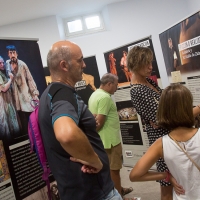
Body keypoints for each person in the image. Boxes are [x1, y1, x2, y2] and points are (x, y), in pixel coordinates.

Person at [38, 41, 122, 200]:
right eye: (80, 60)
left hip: (76, 190)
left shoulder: (49, 93)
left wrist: (87, 125)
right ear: (64, 65)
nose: (84, 65)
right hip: (94, 192)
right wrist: (95, 161)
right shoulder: (62, 94)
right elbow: (66, 134)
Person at [127, 46, 200, 200]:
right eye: (146, 63)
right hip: (163, 140)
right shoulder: (137, 90)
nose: (150, 67)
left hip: (171, 134)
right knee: (167, 185)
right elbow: (163, 119)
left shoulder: (148, 82)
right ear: (136, 63)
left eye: (150, 62)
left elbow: (163, 115)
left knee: (181, 179)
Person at [88, 73, 134, 200]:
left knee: (109, 171)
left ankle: (118, 190)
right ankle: (119, 195)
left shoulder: (94, 94)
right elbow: (99, 122)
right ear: (109, 84)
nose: (117, 87)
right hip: (110, 142)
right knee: (114, 171)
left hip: (103, 141)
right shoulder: (105, 98)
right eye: (115, 84)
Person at [6, 45, 39, 134]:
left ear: (17, 54)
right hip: (15, 99)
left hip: (25, 96)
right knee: (22, 123)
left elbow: (30, 79)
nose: (12, 55)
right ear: (8, 54)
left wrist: (34, 94)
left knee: (31, 120)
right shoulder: (7, 64)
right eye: (10, 53)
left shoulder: (22, 64)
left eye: (14, 52)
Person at [0, 56, 20, 139]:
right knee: (5, 125)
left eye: (2, 62)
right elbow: (3, 88)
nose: (2, 64)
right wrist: (10, 79)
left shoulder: (4, 72)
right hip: (3, 103)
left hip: (8, 102)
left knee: (12, 122)